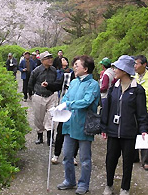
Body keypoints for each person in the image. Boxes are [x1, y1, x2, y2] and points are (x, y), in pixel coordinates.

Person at [101, 55, 148, 195]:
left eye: (117, 67)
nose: (114, 70)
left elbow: (141, 113)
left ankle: (125, 188)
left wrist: (143, 130)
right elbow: (107, 109)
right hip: (113, 131)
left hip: (129, 132)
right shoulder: (113, 88)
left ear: (125, 70)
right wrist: (104, 127)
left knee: (128, 162)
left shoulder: (138, 90)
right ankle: (109, 185)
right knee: (110, 159)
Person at [57, 55, 100, 195]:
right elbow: (66, 97)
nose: (74, 66)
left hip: (84, 125)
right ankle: (69, 180)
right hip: (70, 123)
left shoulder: (93, 84)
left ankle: (83, 184)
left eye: (77, 65)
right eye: (74, 64)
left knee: (85, 159)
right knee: (67, 155)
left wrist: (68, 104)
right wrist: (61, 105)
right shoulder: (74, 82)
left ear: (86, 69)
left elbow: (87, 101)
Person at [28, 51, 63, 145]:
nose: (50, 59)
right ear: (42, 60)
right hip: (39, 96)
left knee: (51, 117)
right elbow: (31, 83)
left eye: (51, 57)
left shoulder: (54, 70)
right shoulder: (36, 71)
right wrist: (33, 94)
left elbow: (56, 82)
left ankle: (50, 138)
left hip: (51, 96)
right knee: (38, 118)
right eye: (47, 58)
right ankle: (39, 136)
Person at [51, 57, 79, 166]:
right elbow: (58, 85)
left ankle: (73, 156)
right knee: (61, 132)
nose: (76, 67)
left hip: (77, 110)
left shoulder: (87, 82)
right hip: (65, 108)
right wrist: (48, 85)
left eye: (78, 65)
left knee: (75, 134)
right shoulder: (66, 75)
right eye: (75, 65)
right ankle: (56, 154)